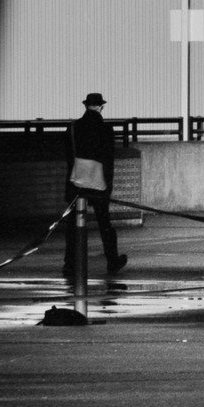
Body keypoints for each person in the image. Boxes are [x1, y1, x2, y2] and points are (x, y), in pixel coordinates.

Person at [63, 93, 128, 277]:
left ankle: (69, 265)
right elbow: (108, 159)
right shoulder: (106, 129)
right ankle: (112, 261)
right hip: (98, 182)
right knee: (104, 224)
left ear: (86, 106)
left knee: (73, 226)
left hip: (77, 182)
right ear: (100, 107)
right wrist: (107, 185)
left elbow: (69, 157)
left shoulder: (73, 128)